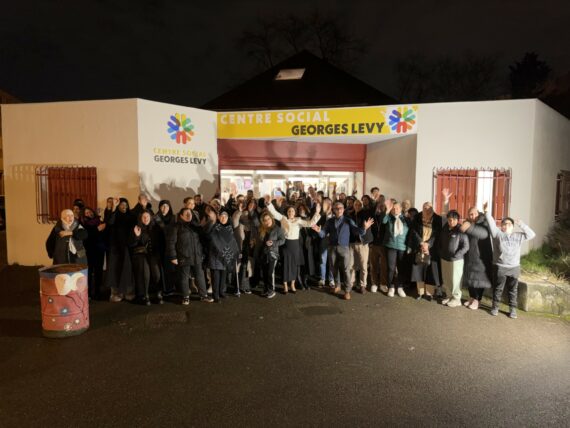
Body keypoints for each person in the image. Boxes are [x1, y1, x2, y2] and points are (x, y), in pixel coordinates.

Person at [312, 202, 374, 300]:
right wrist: (319, 231)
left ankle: (347, 291)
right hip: (332, 248)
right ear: (333, 210)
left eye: (340, 208)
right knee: (334, 269)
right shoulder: (330, 221)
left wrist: (364, 228)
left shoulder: (348, 220)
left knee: (346, 270)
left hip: (344, 248)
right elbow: (323, 234)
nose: (339, 210)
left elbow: (356, 231)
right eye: (336, 208)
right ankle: (337, 286)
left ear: (343, 209)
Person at [485, 205, 535, 319]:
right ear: (501, 226)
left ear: (512, 227)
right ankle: (495, 307)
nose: (506, 225)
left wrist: (521, 224)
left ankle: (512, 309)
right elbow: (491, 224)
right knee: (498, 289)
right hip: (500, 267)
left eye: (509, 224)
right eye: (504, 224)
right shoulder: (497, 234)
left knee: (513, 290)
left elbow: (532, 234)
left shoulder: (518, 236)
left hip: (514, 267)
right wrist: (487, 212)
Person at [266, 196, 321, 294]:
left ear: (295, 212)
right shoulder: (283, 219)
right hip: (286, 244)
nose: (291, 212)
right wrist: (269, 204)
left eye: (292, 211)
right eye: (289, 211)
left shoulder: (298, 220)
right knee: (285, 265)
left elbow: (310, 223)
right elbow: (274, 213)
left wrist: (317, 213)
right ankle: (285, 285)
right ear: (287, 212)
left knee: (294, 266)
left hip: (295, 245)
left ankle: (292, 284)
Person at [166, 208, 213, 305]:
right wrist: (173, 257)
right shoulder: (176, 227)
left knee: (200, 276)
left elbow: (203, 239)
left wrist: (202, 253)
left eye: (190, 213)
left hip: (197, 256)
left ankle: (203, 295)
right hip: (184, 256)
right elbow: (171, 243)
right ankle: (185, 297)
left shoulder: (196, 226)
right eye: (186, 214)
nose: (189, 215)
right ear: (181, 216)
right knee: (184, 277)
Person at [459, 206, 493, 310]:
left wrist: (469, 227)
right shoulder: (467, 223)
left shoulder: (484, 222)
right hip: (470, 256)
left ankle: (478, 300)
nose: (473, 216)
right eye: (470, 214)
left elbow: (483, 233)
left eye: (474, 214)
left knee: (480, 279)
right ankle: (472, 297)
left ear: (478, 214)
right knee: (470, 278)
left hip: (482, 257)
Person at [409, 201, 443, 301]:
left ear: (432, 209)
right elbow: (413, 231)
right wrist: (421, 243)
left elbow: (437, 234)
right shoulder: (417, 217)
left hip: (431, 248)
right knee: (419, 269)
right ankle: (420, 292)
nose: (427, 210)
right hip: (419, 247)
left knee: (430, 271)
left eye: (429, 208)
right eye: (425, 208)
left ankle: (429, 293)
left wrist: (428, 244)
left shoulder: (438, 219)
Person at [204, 209, 239, 302]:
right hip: (215, 255)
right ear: (219, 217)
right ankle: (215, 295)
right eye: (222, 216)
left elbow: (232, 241)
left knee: (223, 276)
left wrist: (234, 251)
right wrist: (211, 222)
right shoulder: (214, 226)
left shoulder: (229, 228)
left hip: (225, 255)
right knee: (215, 277)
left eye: (225, 217)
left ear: (228, 218)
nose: (223, 218)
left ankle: (221, 292)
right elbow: (208, 236)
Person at [105, 197, 137, 302]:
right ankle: (115, 293)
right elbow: (109, 222)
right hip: (115, 247)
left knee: (127, 269)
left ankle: (128, 292)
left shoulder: (131, 216)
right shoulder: (113, 214)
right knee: (114, 270)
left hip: (127, 247)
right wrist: (113, 207)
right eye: (122, 205)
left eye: (126, 205)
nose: (124, 207)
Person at [129, 210, 163, 305]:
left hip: (153, 255)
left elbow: (161, 242)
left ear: (150, 217)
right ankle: (145, 295)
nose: (146, 218)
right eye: (143, 217)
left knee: (157, 274)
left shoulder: (156, 228)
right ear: (140, 218)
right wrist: (137, 236)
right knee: (145, 274)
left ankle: (158, 293)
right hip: (141, 255)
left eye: (147, 216)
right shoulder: (137, 228)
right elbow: (131, 244)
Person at [439, 209, 470, 307]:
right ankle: (449, 296)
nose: (451, 221)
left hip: (456, 260)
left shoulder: (461, 230)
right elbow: (440, 242)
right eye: (449, 219)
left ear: (457, 220)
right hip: (444, 258)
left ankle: (456, 299)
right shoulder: (444, 229)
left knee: (455, 280)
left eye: (453, 219)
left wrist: (457, 255)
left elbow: (466, 246)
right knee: (447, 279)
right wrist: (441, 253)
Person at [382, 199, 409, 297]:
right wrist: (387, 210)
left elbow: (410, 232)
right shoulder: (389, 218)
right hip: (391, 246)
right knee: (391, 268)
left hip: (402, 247)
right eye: (393, 208)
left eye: (397, 208)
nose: (395, 210)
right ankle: (391, 287)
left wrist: (409, 246)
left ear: (401, 209)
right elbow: (383, 221)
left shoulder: (406, 219)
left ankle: (400, 287)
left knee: (401, 268)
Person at [257, 211, 286, 299]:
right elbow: (260, 241)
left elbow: (282, 240)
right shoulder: (262, 229)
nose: (267, 221)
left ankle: (271, 290)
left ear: (272, 219)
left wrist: (273, 243)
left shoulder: (277, 229)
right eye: (265, 220)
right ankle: (266, 289)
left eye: (268, 219)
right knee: (265, 273)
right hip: (264, 253)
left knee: (270, 272)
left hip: (273, 254)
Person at [80, 206, 106, 299]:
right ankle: (88, 293)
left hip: (99, 250)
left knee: (99, 271)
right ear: (83, 215)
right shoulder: (83, 224)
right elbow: (86, 236)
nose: (89, 214)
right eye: (86, 213)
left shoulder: (99, 220)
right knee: (89, 272)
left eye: (90, 211)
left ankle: (98, 292)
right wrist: (97, 230)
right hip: (89, 251)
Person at [349, 199, 373, 293]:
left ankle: (363, 285)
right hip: (352, 243)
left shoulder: (366, 214)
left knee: (363, 265)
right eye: (356, 204)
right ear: (353, 206)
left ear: (362, 206)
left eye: (359, 205)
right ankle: (352, 283)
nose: (358, 206)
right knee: (352, 265)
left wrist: (366, 227)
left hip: (363, 243)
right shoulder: (350, 215)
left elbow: (369, 223)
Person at [154, 200, 176, 296]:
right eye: (163, 206)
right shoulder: (155, 218)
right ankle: (161, 289)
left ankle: (170, 288)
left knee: (170, 268)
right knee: (160, 269)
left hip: (170, 246)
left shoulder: (173, 218)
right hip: (159, 246)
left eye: (167, 206)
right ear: (159, 207)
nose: (165, 208)